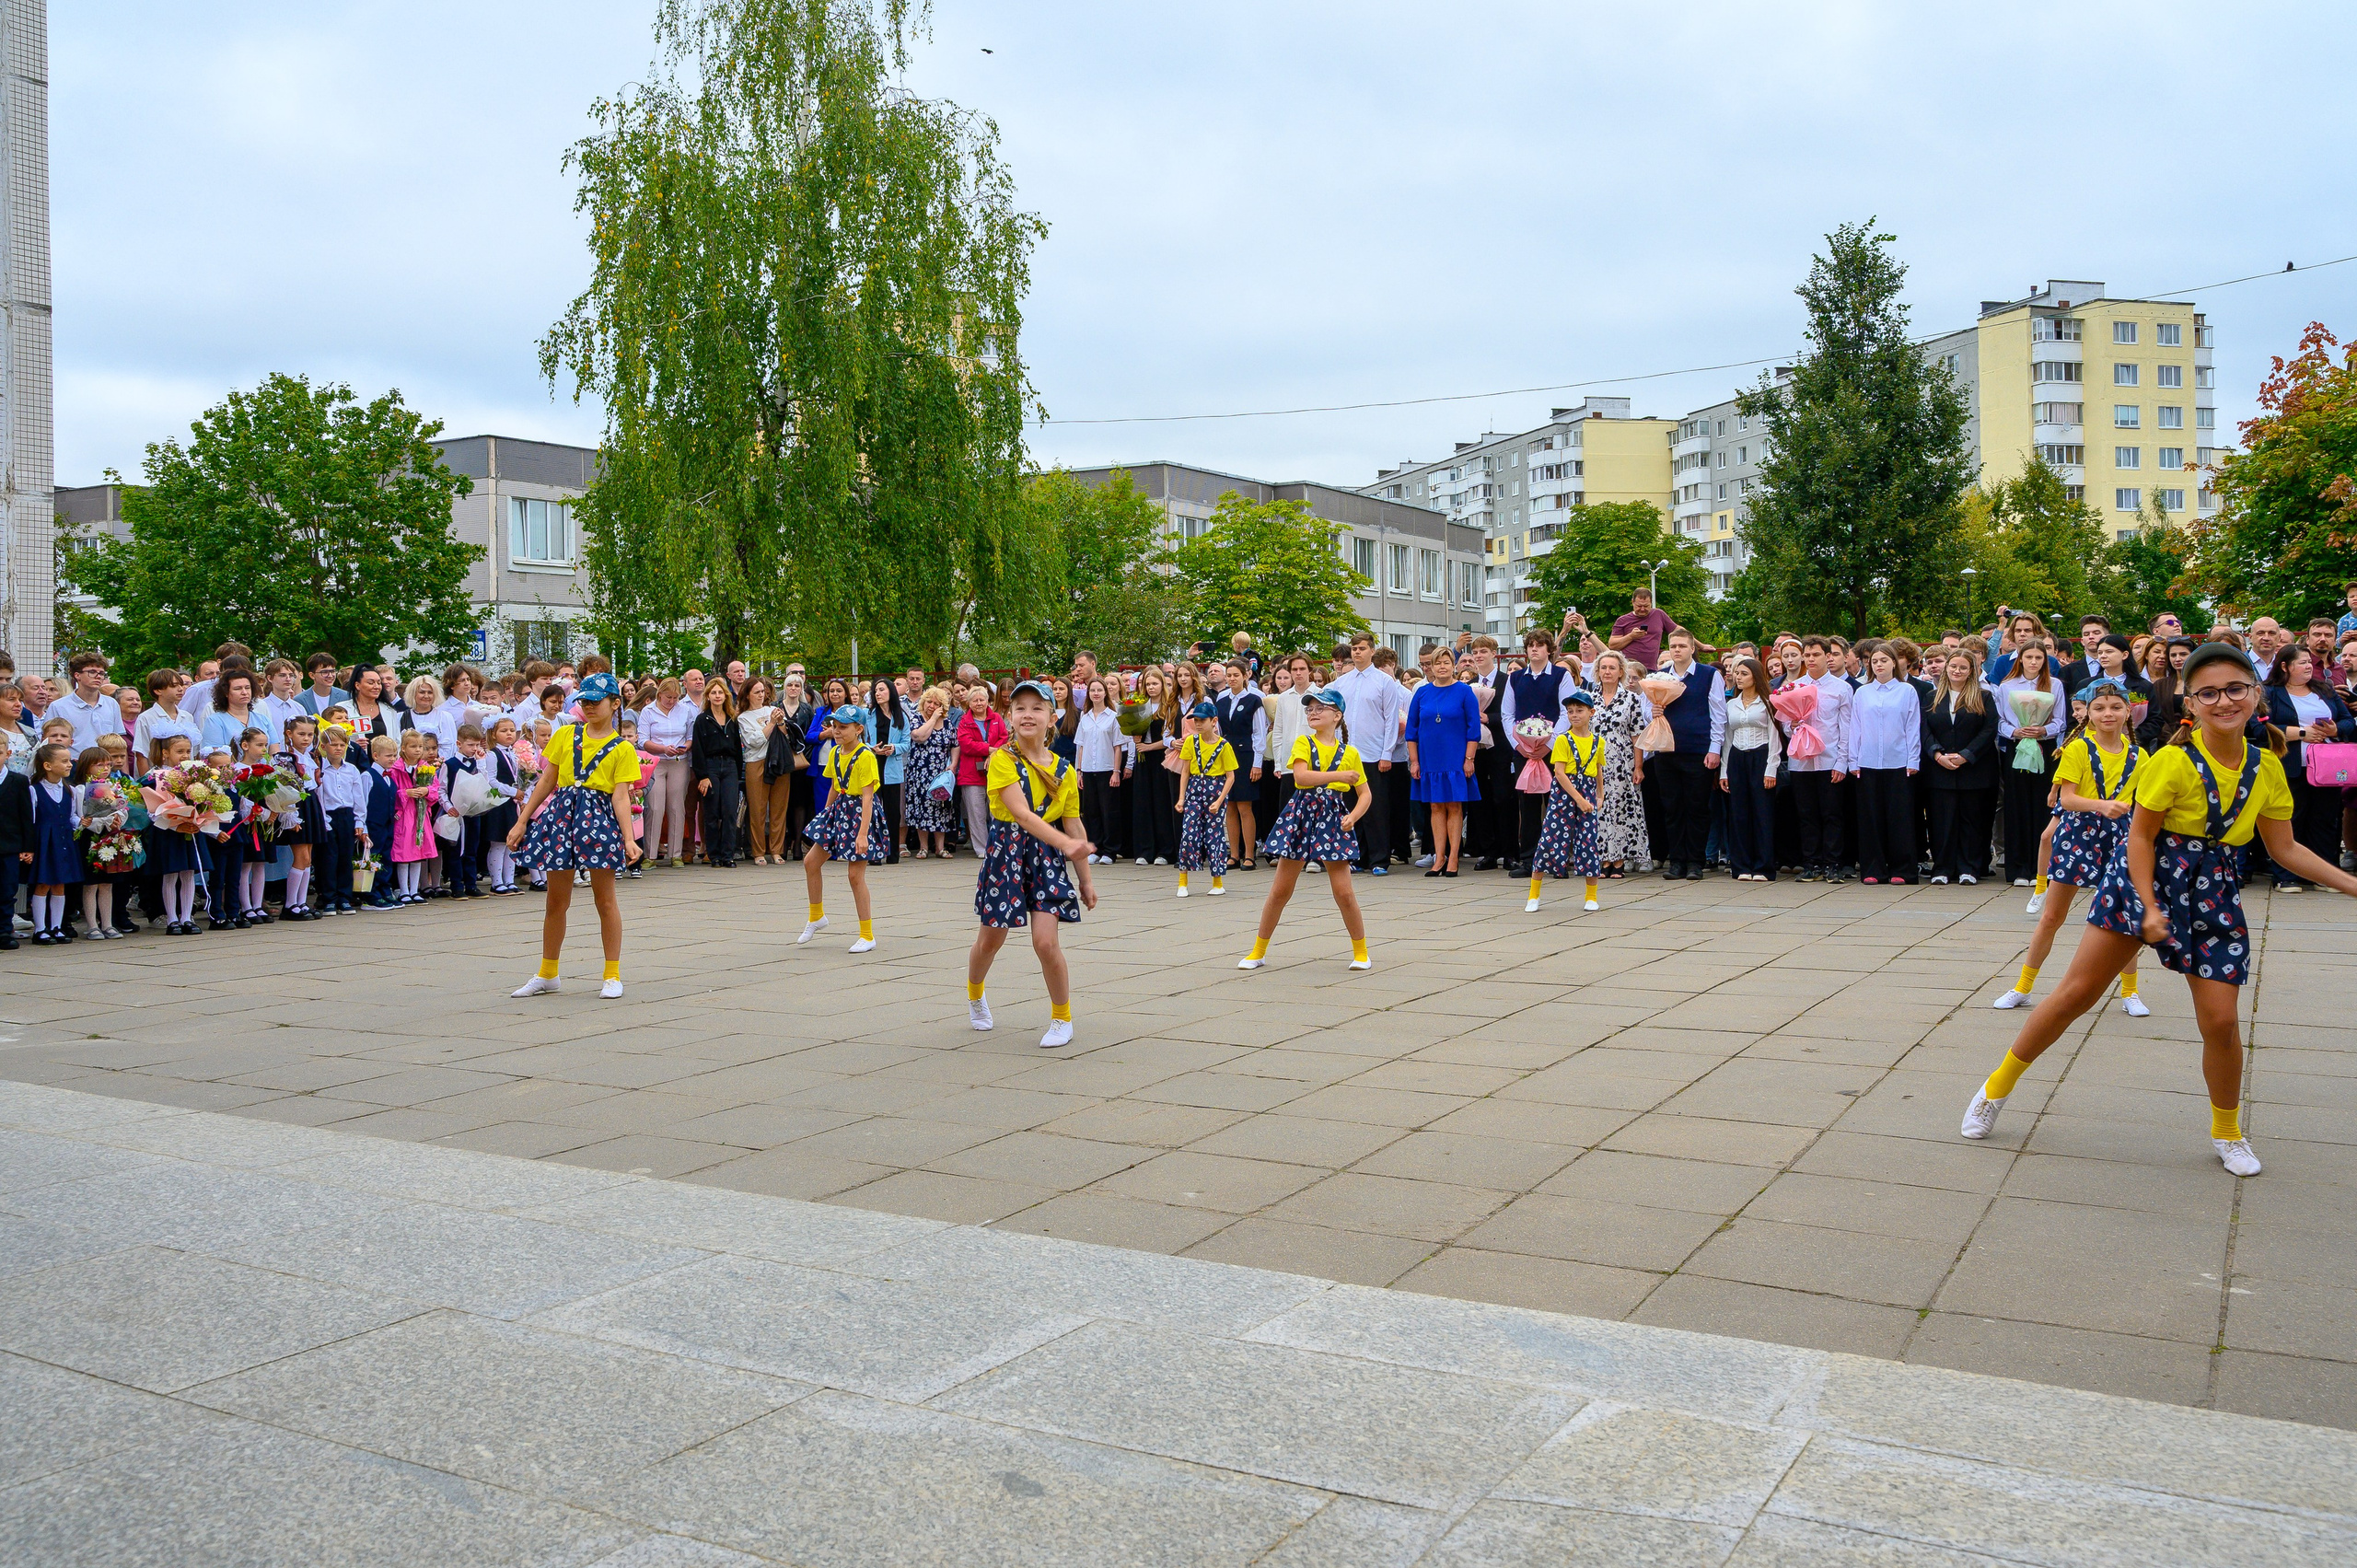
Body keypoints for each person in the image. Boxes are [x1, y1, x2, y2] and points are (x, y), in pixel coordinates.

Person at [1963, 644, 2357, 1178]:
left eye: (2235, 689)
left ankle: (2228, 1131)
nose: (2224, 701)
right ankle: (1995, 1088)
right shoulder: (2170, 761)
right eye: (2208, 693)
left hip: (2214, 890)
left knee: (2221, 1021)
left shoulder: (2266, 767)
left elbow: (2285, 849)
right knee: (2075, 995)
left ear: (2255, 695)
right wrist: (2148, 905)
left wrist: (2350, 885)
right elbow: (2140, 838)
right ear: (2190, 704)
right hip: (2143, 879)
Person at [1994, 679, 2148, 1015]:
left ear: (2128, 712)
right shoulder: (2078, 749)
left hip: (2120, 837)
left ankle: (2130, 991)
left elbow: (2145, 800)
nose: (2108, 714)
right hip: (2078, 834)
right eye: (2100, 708)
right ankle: (2022, 987)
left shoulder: (2139, 755)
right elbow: (2068, 799)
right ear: (2088, 714)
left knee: (2125, 917)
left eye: (2116, 707)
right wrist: (2102, 806)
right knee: (2052, 916)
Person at [967, 680, 1096, 1048]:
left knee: (1045, 942)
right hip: (1006, 854)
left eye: (1037, 708)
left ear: (1052, 718)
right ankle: (975, 993)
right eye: (1020, 708)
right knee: (990, 941)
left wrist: (1085, 880)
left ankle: (1062, 1018)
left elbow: (1073, 823)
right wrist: (1065, 843)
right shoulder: (1002, 760)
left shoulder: (1064, 770)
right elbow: (1022, 814)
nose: (1028, 715)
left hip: (1046, 859)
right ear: (1009, 716)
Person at [1238, 688, 1371, 971]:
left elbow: (1365, 794)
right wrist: (1339, 775)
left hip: (1333, 818)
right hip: (1301, 816)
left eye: (1320, 708)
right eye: (1310, 709)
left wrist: (1353, 816)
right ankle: (1258, 951)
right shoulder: (1303, 742)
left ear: (1337, 716)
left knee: (1344, 892)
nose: (1313, 713)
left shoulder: (1350, 753)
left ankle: (1361, 952)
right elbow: (1301, 777)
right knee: (1280, 890)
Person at [2264, 645, 2354, 890]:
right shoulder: (2270, 692)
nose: (2308, 667)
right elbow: (2261, 727)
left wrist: (2335, 730)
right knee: (2292, 819)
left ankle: (2324, 875)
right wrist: (2301, 733)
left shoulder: (2324, 689)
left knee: (2324, 820)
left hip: (2326, 769)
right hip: (2291, 765)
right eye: (2302, 662)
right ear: (2285, 666)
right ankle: (2285, 876)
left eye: (2309, 663)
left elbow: (2348, 721)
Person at [799, 704, 886, 953]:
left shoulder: (866, 755)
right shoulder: (836, 752)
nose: (837, 731)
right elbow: (834, 786)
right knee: (811, 862)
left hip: (860, 814)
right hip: (840, 810)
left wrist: (863, 834)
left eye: (843, 727)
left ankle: (867, 935)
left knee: (855, 876)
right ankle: (816, 915)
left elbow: (868, 797)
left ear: (858, 729)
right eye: (835, 726)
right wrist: (825, 816)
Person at [1651, 629, 1727, 881]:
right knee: (1672, 808)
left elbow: (1718, 714)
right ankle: (1677, 861)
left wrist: (1714, 749)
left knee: (1697, 807)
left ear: (1693, 648)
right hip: (1666, 750)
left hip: (1697, 750)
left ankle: (1695, 861)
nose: (1677, 650)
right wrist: (1653, 712)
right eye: (1673, 646)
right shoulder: (1660, 676)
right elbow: (1647, 713)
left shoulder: (1708, 675)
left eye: (1682, 646)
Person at [1327, 633, 1403, 875]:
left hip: (1373, 753)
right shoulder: (1342, 682)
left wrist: (1387, 753)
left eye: (1361, 648)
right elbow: (1336, 718)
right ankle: (1357, 857)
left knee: (1376, 808)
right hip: (1348, 754)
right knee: (1351, 807)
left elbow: (1391, 719)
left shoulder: (1384, 681)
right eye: (1354, 648)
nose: (1357, 652)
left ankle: (1380, 859)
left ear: (1371, 651)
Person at [1922, 649, 1998, 883]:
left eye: (1963, 667)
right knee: (1941, 822)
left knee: (1971, 821)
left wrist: (1966, 755)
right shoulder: (1931, 697)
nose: (1957, 671)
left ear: (1971, 671)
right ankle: (1942, 869)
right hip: (1939, 770)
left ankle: (1969, 868)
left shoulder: (1984, 697)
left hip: (1974, 770)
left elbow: (1989, 730)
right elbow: (1924, 729)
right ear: (1946, 668)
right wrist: (1937, 754)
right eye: (1953, 666)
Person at [1527, 688, 1605, 912]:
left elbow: (1598, 768)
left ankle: (1591, 896)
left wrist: (1600, 795)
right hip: (1564, 794)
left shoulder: (1598, 741)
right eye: (1570, 711)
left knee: (1588, 842)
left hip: (1587, 792)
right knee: (1550, 840)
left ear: (1591, 712)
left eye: (1579, 710)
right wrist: (1579, 799)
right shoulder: (1563, 740)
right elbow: (1560, 773)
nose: (1574, 715)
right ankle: (1533, 895)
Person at [1849, 645, 1921, 885]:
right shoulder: (1862, 693)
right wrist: (1853, 760)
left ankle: (1903, 869)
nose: (1878, 665)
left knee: (1899, 817)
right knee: (1870, 818)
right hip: (1868, 762)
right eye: (1874, 661)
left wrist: (1913, 759)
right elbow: (1855, 728)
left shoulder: (1906, 691)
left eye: (1883, 660)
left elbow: (1912, 727)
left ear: (1894, 663)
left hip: (1898, 762)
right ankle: (1873, 868)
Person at [1405, 644, 1480, 877]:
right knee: (1435, 806)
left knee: (1454, 806)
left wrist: (1469, 759)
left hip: (1456, 757)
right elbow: (1411, 730)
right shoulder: (1422, 693)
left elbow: (1473, 729)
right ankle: (1439, 857)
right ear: (1431, 667)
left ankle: (1454, 857)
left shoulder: (1464, 692)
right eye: (1437, 663)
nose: (1442, 667)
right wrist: (1415, 761)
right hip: (1429, 758)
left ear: (1454, 665)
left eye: (1446, 662)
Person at [1994, 641, 2061, 889]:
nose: (2033, 662)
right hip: (2017, 747)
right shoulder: (2007, 686)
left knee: (2042, 805)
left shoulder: (2055, 685)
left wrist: (2043, 729)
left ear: (2045, 661)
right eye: (2029, 657)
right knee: (2016, 805)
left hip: (2044, 746)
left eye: (2039, 658)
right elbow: (2000, 720)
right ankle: (2018, 867)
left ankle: (2040, 868)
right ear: (2020, 659)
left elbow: (2061, 721)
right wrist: (2015, 731)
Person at [1718, 656, 1782, 882]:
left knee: (1762, 813)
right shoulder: (1731, 704)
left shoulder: (1768, 702)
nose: (1738, 677)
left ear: (1755, 677)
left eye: (1744, 674)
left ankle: (1763, 866)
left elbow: (1774, 737)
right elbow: (1727, 739)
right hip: (1737, 758)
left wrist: (1771, 768)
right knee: (1739, 813)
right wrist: (1724, 771)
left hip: (1761, 756)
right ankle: (1741, 865)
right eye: (1737, 673)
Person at [1459, 635, 1515, 869]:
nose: (1479, 656)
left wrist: (1488, 718)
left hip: (1501, 746)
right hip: (1476, 749)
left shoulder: (1507, 681)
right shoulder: (1468, 684)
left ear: (1493, 653)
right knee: (1480, 800)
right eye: (1476, 652)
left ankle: (1510, 852)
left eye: (1483, 651)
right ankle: (1488, 852)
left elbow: (1512, 712)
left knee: (1503, 798)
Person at [1175, 699, 1235, 897]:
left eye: (1202, 720)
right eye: (1196, 720)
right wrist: (1181, 798)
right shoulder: (1191, 742)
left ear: (1213, 721)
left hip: (1215, 789)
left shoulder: (1224, 745)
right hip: (1194, 789)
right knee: (1188, 833)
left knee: (1214, 836)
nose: (1198, 724)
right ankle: (1182, 882)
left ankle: (1217, 882)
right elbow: (1185, 771)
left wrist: (1220, 800)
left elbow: (1230, 777)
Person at [1212, 659, 1267, 870]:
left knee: (1245, 806)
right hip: (1226, 754)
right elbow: (1218, 730)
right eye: (1229, 675)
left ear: (1246, 676)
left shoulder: (1254, 700)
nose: (1232, 679)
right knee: (1230, 806)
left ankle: (1249, 855)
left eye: (1236, 675)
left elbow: (1259, 733)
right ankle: (1234, 854)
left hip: (1246, 755)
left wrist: (1257, 763)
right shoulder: (1222, 699)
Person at [637, 678, 695, 867]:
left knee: (677, 807)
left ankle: (676, 854)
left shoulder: (684, 710)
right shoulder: (648, 711)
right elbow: (643, 740)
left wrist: (685, 747)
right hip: (655, 762)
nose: (672, 701)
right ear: (660, 694)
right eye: (668, 697)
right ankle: (650, 855)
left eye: (675, 697)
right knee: (655, 807)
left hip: (679, 761)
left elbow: (690, 736)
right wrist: (662, 748)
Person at [1073, 677, 1130, 866]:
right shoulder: (1085, 717)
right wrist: (1079, 771)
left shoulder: (1113, 717)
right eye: (1092, 690)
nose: (1096, 693)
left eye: (1099, 690)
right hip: (1088, 769)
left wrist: (1116, 771)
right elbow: (1080, 746)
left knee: (1109, 811)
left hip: (1107, 769)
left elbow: (1118, 746)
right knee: (1091, 812)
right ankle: (1094, 848)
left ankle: (1110, 850)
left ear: (1105, 692)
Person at [1127, 667, 1179, 866]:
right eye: (1148, 684)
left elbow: (1169, 737)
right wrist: (1135, 737)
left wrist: (1148, 746)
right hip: (1143, 759)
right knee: (1143, 804)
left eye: (1154, 684)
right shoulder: (1139, 706)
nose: (1151, 687)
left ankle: (1165, 851)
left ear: (1162, 685)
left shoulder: (1168, 706)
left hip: (1161, 758)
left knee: (1161, 804)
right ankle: (1144, 850)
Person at [27, 742, 78, 943]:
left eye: (69, 760)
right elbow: (31, 820)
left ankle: (56, 926)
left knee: (59, 884)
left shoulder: (70, 790)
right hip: (45, 842)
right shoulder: (34, 790)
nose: (69, 765)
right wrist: (30, 847)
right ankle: (40, 929)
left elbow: (71, 817)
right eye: (64, 761)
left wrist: (81, 823)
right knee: (43, 884)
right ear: (47, 766)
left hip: (63, 839)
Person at [690, 677, 743, 869]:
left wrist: (738, 772)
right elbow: (698, 749)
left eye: (720, 692)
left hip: (729, 767)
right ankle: (714, 855)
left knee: (729, 811)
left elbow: (737, 748)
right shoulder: (702, 720)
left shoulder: (731, 719)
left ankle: (728, 854)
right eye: (713, 693)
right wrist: (702, 776)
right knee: (711, 812)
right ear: (708, 696)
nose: (717, 696)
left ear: (726, 696)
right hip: (710, 767)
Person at [735, 678, 788, 865]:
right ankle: (758, 851)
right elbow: (753, 741)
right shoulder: (743, 717)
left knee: (779, 808)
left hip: (778, 761)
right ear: (747, 695)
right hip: (756, 762)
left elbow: (785, 736)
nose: (761, 695)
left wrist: (780, 723)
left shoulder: (772, 709)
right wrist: (771, 723)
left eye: (762, 691)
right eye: (756, 692)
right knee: (757, 809)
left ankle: (777, 850)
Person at [903, 685, 959, 860]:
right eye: (929, 702)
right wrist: (933, 718)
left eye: (936, 704)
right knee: (921, 808)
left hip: (940, 773)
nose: (932, 706)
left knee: (941, 809)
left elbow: (955, 745)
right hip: (920, 772)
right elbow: (919, 737)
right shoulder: (916, 718)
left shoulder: (948, 724)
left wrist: (953, 764)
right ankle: (923, 847)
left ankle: (940, 848)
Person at [954, 681, 1008, 859]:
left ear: (987, 701)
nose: (979, 703)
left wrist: (993, 754)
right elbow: (966, 744)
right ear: (969, 703)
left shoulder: (996, 718)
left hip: (995, 770)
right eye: (975, 700)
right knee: (976, 813)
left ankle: (998, 845)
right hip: (971, 773)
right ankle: (982, 848)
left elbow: (1004, 737)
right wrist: (989, 749)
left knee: (996, 810)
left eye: (981, 700)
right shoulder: (964, 721)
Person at [862, 676, 911, 865]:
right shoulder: (868, 714)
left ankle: (892, 853)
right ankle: (874, 853)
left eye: (882, 689)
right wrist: (871, 748)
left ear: (891, 692)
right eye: (875, 690)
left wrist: (894, 748)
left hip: (892, 768)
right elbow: (859, 740)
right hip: (873, 765)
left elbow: (907, 743)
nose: (878, 693)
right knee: (873, 810)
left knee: (893, 812)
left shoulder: (901, 716)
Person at [53, 653, 122, 755]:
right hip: (72, 761)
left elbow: (119, 740)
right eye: (92, 672)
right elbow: (51, 742)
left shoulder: (112, 704)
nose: (98, 676)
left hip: (105, 761)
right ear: (77, 675)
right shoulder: (58, 706)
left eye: (101, 673)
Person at [1608, 587, 1677, 678]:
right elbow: (1612, 645)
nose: (1643, 609)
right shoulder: (1622, 620)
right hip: (1629, 669)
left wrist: (1696, 642)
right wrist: (1631, 637)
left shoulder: (1659, 614)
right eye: (1639, 606)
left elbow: (1678, 631)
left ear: (1651, 602)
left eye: (1646, 606)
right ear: (1633, 602)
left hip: (1651, 669)